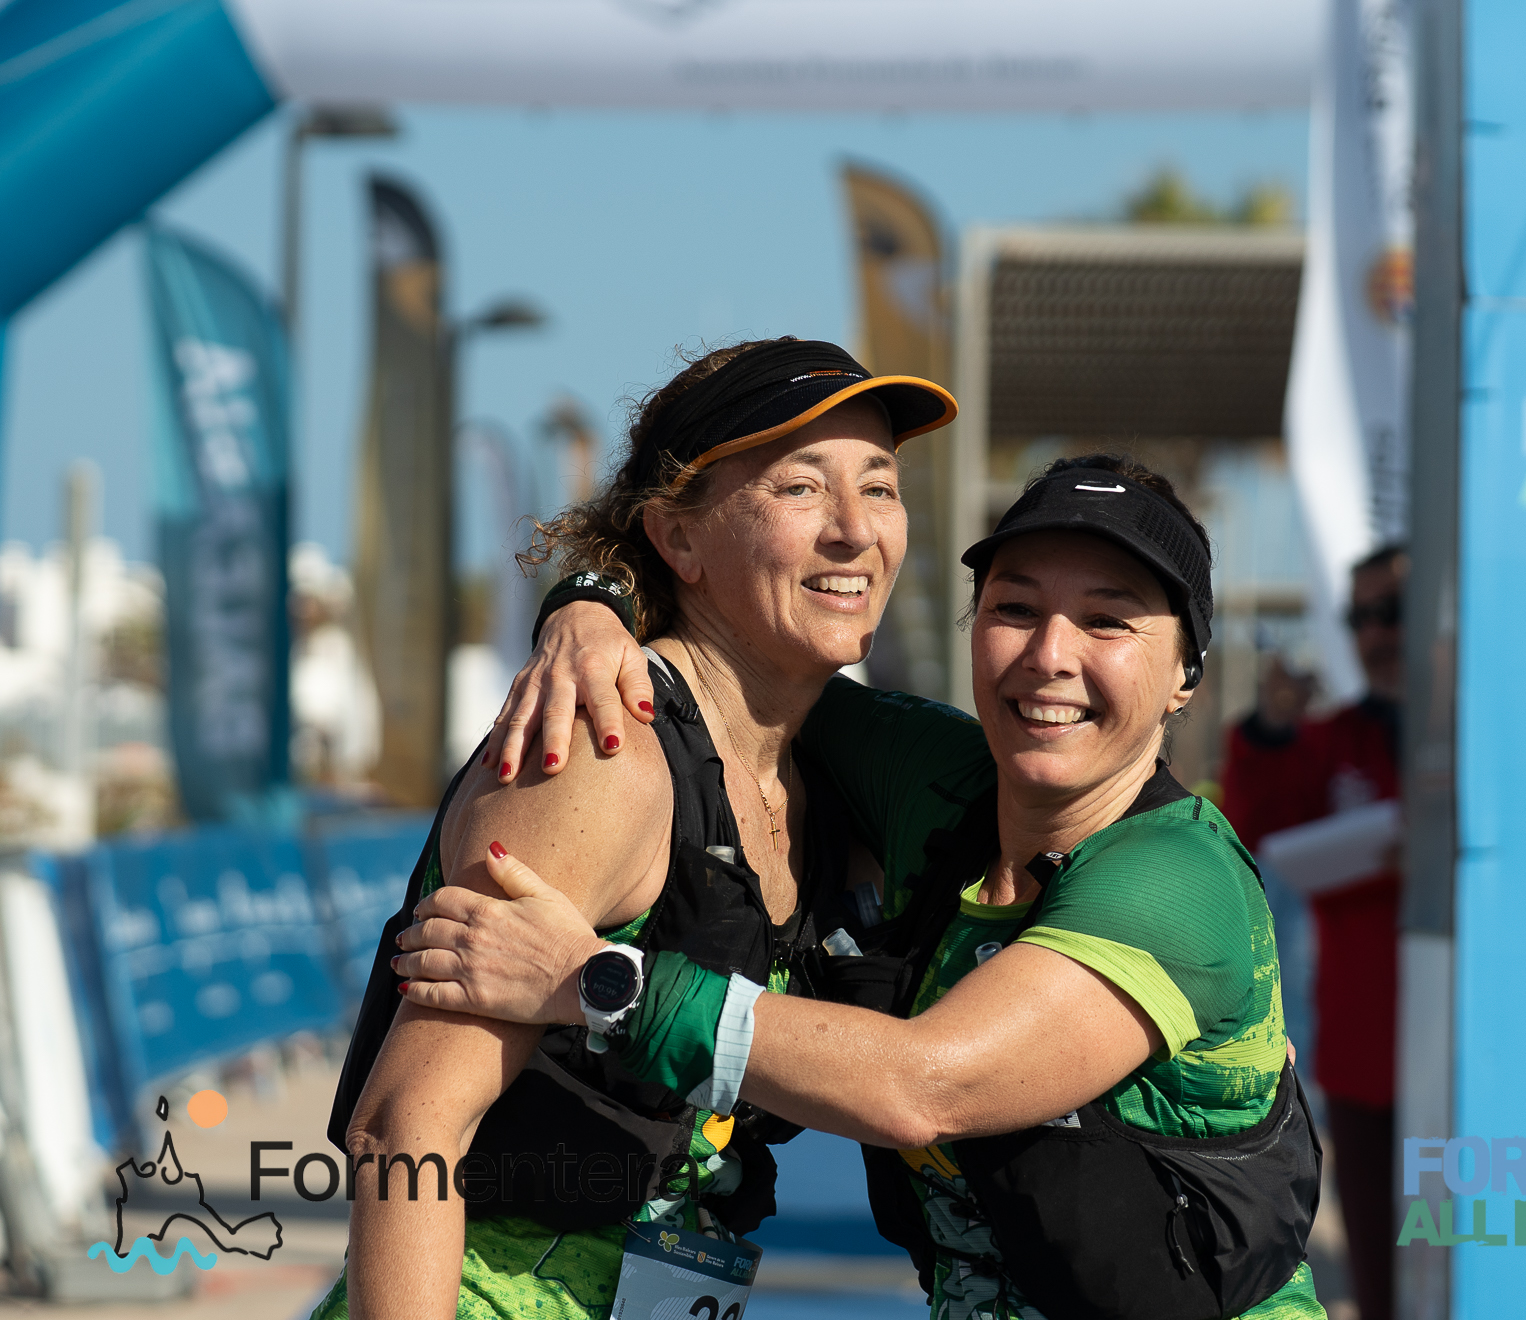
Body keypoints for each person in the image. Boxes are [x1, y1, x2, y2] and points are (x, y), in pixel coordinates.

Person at [395, 455, 1329, 1320]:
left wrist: (598, 982)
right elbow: (737, 649)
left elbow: (922, 1087)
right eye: (1014, 607)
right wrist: (587, 608)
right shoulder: (937, 780)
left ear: (1185, 675)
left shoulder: (1179, 877)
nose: (1050, 654)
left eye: (1108, 621)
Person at [318, 336, 957, 1319]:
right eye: (799, 487)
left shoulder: (819, 776)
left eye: (879, 487)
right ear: (679, 539)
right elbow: (405, 1127)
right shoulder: (602, 751)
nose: (855, 530)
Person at [1220, 543, 1407, 1320]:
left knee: (1477, 1253)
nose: (1376, 633)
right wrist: (1270, 727)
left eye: (1392, 612)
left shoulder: (1486, 732)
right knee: (1380, 1268)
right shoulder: (1332, 742)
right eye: (1361, 617)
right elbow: (1253, 825)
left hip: (1477, 1047)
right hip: (1366, 1052)